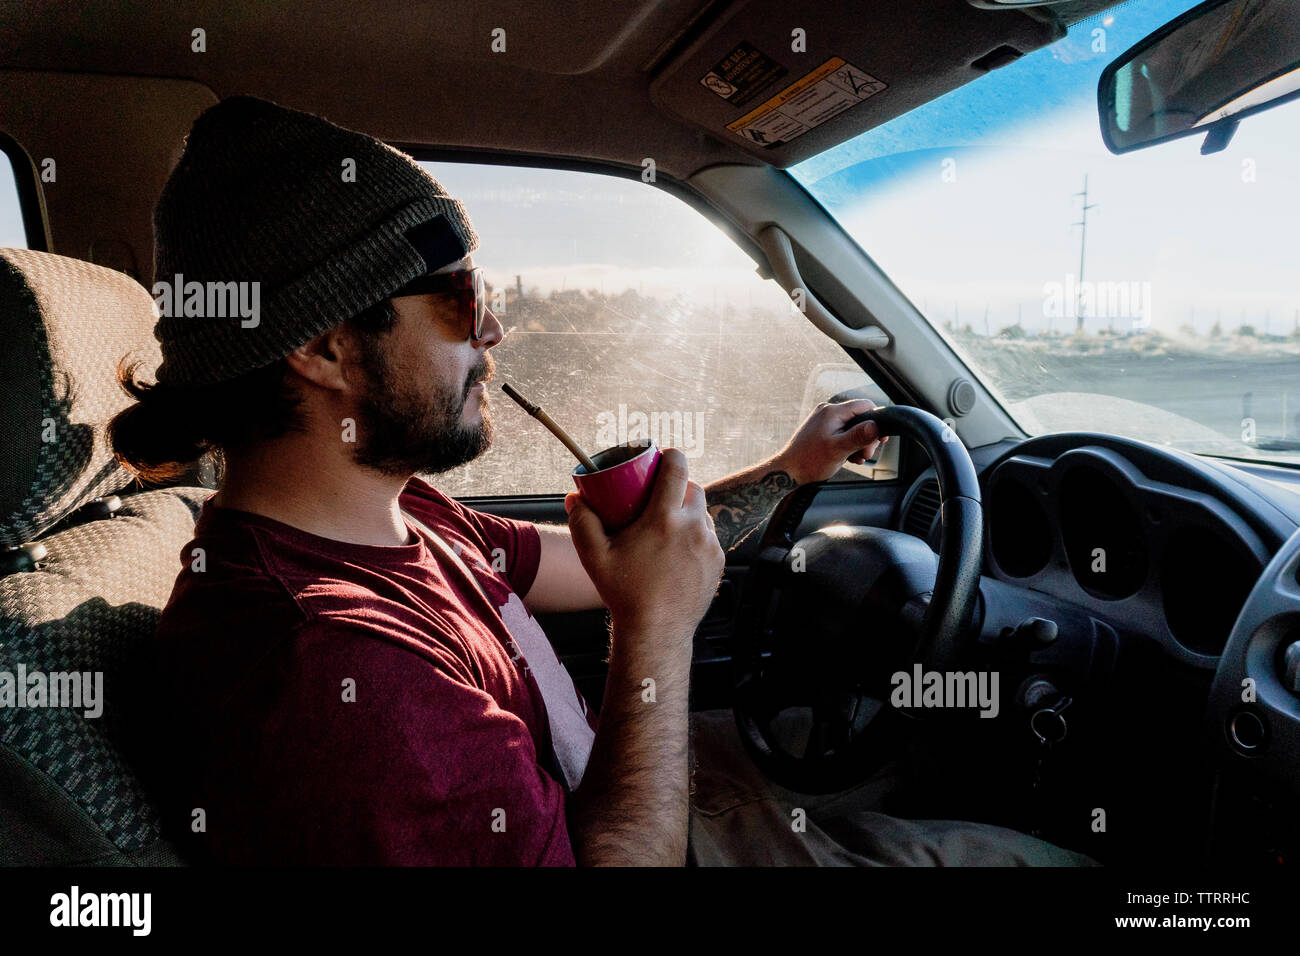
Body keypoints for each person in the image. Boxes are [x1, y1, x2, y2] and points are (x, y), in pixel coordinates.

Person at [110, 96, 1092, 866]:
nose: (491, 331)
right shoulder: (329, 671)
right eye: (456, 304)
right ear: (326, 348)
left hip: (617, 787)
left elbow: (601, 558)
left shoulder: (399, 516)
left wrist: (790, 471)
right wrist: (655, 629)